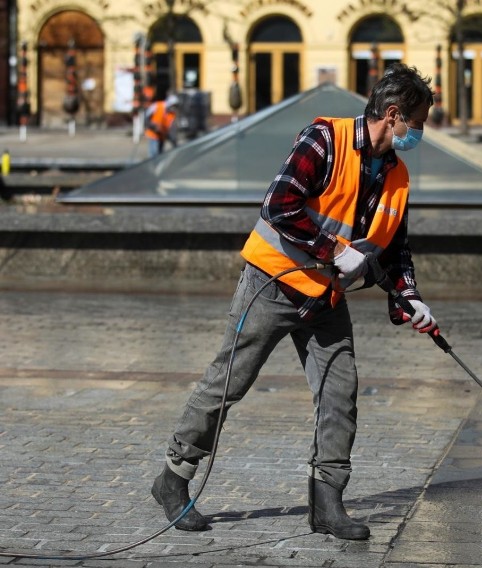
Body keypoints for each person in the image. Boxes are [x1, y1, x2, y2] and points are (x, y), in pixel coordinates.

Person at [151, 63, 437, 540]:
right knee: (228, 383)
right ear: (393, 115)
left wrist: (409, 297)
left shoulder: (397, 176)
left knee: (340, 394)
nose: (421, 132)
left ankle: (326, 502)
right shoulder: (324, 140)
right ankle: (173, 478)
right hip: (273, 282)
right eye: (419, 122)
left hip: (325, 297)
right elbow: (279, 205)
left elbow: (394, 249)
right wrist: (334, 251)